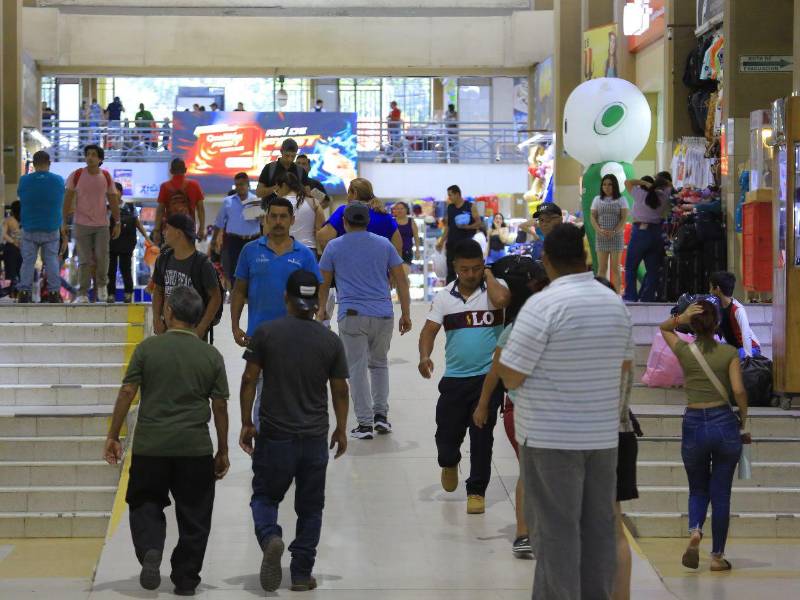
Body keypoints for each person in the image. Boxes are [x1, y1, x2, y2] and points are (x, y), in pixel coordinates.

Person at [497, 223, 633, 600]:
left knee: (556, 537)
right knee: (598, 535)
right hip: (602, 440)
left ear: (547, 261)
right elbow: (624, 367)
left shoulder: (543, 305)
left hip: (549, 438)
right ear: (585, 257)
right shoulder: (613, 303)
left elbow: (511, 374)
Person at [103, 285, 230, 596]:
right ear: (197, 317)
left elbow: (127, 392)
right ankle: (186, 580)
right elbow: (221, 405)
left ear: (169, 312)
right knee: (195, 514)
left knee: (145, 500)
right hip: (194, 448)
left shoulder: (148, 349)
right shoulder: (210, 355)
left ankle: (150, 548)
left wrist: (113, 434)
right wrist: (223, 449)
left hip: (151, 447)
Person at [239, 270, 349, 592]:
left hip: (275, 436)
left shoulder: (266, 333)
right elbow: (340, 390)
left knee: (264, 496)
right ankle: (301, 573)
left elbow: (249, 379)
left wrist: (247, 421)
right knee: (311, 507)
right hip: (314, 438)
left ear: (285, 298)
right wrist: (342, 429)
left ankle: (271, 537)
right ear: (316, 303)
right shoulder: (330, 341)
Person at [419, 239, 511, 514]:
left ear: (483, 266)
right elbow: (429, 330)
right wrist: (425, 356)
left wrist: (490, 276)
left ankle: (476, 491)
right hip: (455, 379)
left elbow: (502, 301)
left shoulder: (496, 289)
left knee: (482, 436)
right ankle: (449, 462)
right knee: (446, 437)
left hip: (489, 378)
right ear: (455, 268)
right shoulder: (445, 297)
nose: (470, 274)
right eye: (465, 269)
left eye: (476, 268)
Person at [659, 298, 749, 573]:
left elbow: (663, 329)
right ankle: (717, 556)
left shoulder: (686, 351)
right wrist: (744, 422)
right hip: (723, 422)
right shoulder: (729, 353)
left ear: (694, 325)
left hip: (694, 422)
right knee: (721, 493)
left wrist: (681, 317)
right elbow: (739, 391)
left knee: (698, 487)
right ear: (717, 323)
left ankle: (696, 530)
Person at [472, 258, 549, 556]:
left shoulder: (517, 327)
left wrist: (482, 405)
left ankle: (527, 532)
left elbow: (496, 372)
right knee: (536, 472)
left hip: (522, 411)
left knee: (532, 473)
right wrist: (481, 405)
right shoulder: (524, 327)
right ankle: (527, 532)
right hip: (527, 412)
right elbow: (496, 371)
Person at [317, 203, 412, 439]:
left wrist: (321, 311)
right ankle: (381, 417)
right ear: (367, 222)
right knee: (379, 364)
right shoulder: (384, 244)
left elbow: (324, 283)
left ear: (345, 223)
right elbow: (401, 280)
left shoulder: (334, 246)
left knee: (357, 369)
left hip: (352, 315)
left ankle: (365, 424)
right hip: (383, 313)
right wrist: (406, 313)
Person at [595, 276, 640, 600]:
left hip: (597, 439)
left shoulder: (591, 343)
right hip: (623, 434)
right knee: (615, 526)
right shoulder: (623, 336)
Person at [63, 144, 121, 303]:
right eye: (88, 154)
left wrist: (117, 221)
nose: (90, 157)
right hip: (81, 224)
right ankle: (82, 293)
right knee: (84, 259)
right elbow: (67, 198)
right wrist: (63, 221)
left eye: (94, 154)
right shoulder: (77, 175)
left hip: (102, 225)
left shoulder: (106, 177)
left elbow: (113, 200)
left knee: (103, 257)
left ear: (100, 159)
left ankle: (102, 285)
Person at [151, 215, 222, 342]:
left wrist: (201, 327)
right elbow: (158, 290)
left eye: (167, 228)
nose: (164, 232)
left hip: (194, 332)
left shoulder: (202, 264)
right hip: (168, 330)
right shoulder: (163, 260)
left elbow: (215, 298)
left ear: (178, 233)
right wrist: (156, 319)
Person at [16, 151, 65, 304]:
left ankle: (24, 292)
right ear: (49, 163)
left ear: (33, 164)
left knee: (28, 261)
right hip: (51, 227)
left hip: (29, 227)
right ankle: (54, 293)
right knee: (51, 260)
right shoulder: (58, 180)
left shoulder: (24, 181)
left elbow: (20, 196)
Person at [317, 178, 402, 256]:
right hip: (379, 270)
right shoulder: (386, 217)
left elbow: (324, 238)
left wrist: (334, 261)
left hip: (347, 269)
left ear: (355, 193)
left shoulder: (344, 212)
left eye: (349, 193)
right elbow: (397, 248)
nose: (347, 197)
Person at [623, 175, 669, 302]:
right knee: (653, 270)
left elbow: (627, 182)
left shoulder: (640, 194)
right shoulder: (663, 196)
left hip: (640, 233)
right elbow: (670, 185)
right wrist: (656, 183)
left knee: (631, 267)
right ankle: (647, 298)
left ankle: (631, 296)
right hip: (657, 233)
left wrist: (643, 182)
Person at [213, 172, 262, 286]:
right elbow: (219, 223)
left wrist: (261, 216)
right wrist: (214, 240)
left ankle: (251, 294)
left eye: (242, 184)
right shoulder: (228, 201)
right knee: (235, 269)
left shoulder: (255, 200)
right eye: (237, 185)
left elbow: (262, 222)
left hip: (253, 240)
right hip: (234, 240)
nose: (240, 187)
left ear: (248, 185)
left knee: (253, 267)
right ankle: (237, 295)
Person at [108, 183, 148, 303]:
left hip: (127, 243)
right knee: (110, 270)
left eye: (116, 191)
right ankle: (111, 294)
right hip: (111, 243)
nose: (114, 194)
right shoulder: (107, 207)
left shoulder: (130, 207)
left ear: (121, 193)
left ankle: (128, 293)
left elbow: (138, 223)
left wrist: (146, 237)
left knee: (126, 268)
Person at [435, 184, 482, 283]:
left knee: (465, 269)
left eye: (450, 195)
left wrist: (467, 227)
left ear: (458, 194)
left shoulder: (470, 206)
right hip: (452, 244)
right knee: (451, 271)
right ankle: (450, 294)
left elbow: (478, 223)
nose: (449, 197)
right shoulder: (450, 208)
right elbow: (448, 226)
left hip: (466, 245)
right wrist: (441, 241)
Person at [710, 271, 762, 358]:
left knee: (726, 357)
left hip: (751, 348)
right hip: (735, 348)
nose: (710, 291)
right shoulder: (717, 306)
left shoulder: (737, 309)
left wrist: (747, 357)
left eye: (711, 288)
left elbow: (746, 334)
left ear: (718, 289)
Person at [154, 158, 205, 245]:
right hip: (189, 229)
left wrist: (157, 230)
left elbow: (160, 211)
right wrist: (201, 228)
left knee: (170, 255)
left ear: (171, 171)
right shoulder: (194, 185)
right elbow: (200, 209)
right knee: (188, 255)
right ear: (185, 170)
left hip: (170, 229)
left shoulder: (165, 186)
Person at [590, 174, 628, 291]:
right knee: (602, 268)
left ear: (615, 185)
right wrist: (599, 230)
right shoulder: (597, 199)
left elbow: (623, 218)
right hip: (601, 236)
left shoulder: (622, 199)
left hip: (616, 236)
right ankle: (601, 293)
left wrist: (615, 231)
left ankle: (616, 294)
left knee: (616, 268)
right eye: (604, 184)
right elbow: (592, 217)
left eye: (610, 184)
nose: (607, 187)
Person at [273, 170, 325, 255]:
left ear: (284, 186)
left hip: (284, 250)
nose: (277, 194)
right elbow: (320, 230)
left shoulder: (276, 205)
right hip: (309, 251)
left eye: (277, 190)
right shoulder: (313, 202)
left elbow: (269, 232)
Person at [391, 202, 419, 275]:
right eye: (397, 209)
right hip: (393, 252)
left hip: (406, 252)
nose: (399, 210)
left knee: (404, 275)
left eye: (401, 208)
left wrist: (417, 250)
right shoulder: (392, 221)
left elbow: (416, 236)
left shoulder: (411, 221)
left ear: (406, 210)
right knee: (394, 277)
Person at [1, 201, 22, 299]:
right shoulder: (23, 221)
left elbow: (4, 235)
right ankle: (18, 293)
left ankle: (10, 293)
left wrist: (13, 241)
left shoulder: (8, 220)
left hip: (11, 248)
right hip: (20, 249)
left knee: (10, 272)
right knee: (19, 272)